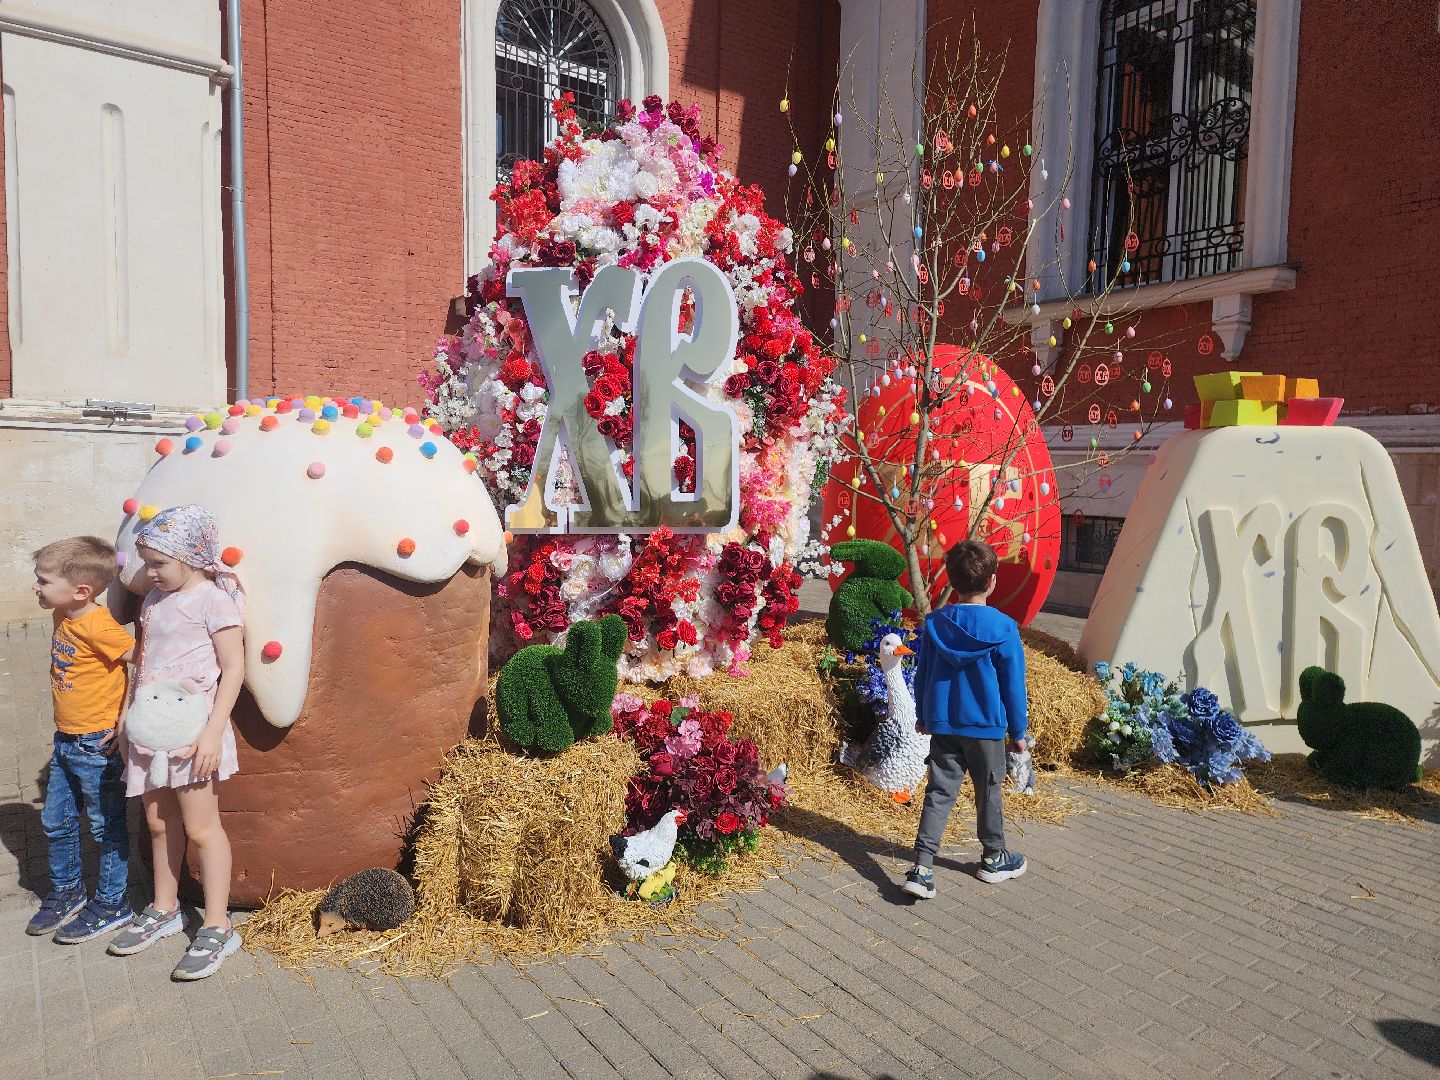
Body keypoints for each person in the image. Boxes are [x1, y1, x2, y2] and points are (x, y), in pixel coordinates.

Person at [107, 505, 246, 981]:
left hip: (191, 736)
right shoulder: (154, 602)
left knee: (202, 827)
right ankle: (165, 908)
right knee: (157, 821)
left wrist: (212, 731)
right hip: (151, 729)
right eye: (146, 563)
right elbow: (142, 665)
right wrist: (127, 717)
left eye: (159, 563)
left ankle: (217, 924)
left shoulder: (214, 601)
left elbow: (234, 670)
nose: (150, 573)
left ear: (191, 555)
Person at [902, 539, 1028, 899]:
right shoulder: (1004, 629)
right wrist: (1018, 732)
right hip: (986, 729)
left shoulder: (937, 624)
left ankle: (922, 868)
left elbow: (922, 674)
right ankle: (993, 857)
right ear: (992, 581)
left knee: (939, 792)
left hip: (944, 724)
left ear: (951, 582)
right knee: (988, 791)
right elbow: (1013, 686)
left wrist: (924, 715)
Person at [27, 537, 136, 941]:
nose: (35, 587)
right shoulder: (64, 613)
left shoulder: (98, 625)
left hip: (96, 744)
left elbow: (139, 661)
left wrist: (125, 720)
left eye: (43, 580)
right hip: (66, 740)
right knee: (55, 821)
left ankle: (113, 903)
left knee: (106, 827)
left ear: (81, 591)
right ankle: (68, 892)